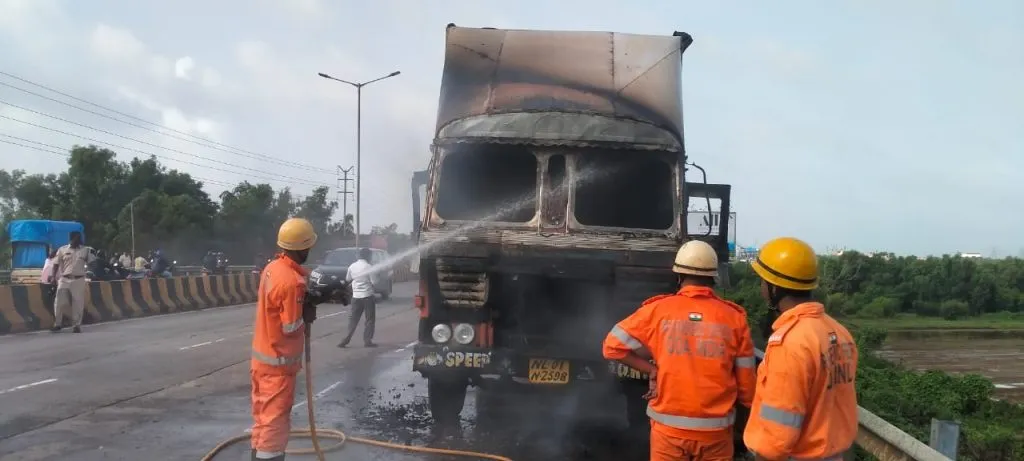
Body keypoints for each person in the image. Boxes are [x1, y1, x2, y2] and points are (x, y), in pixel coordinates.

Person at [603, 240, 756, 461]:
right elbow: (747, 390)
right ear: (713, 278)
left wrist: (652, 370)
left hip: (668, 434)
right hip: (716, 436)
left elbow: (612, 347)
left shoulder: (657, 310)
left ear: (678, 276)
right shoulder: (734, 318)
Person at [743, 237, 858, 461]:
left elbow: (778, 431)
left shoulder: (790, 343)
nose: (761, 287)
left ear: (774, 287)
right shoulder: (839, 332)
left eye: (763, 281)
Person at [250, 218, 319, 461]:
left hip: (262, 361)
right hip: (278, 365)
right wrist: (306, 314)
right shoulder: (292, 282)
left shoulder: (273, 268)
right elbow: (290, 326)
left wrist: (307, 302)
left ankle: (257, 455)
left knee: (262, 418)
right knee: (275, 423)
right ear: (303, 247)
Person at [52, 231, 93, 333]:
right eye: (76, 238)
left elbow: (92, 262)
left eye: (79, 238)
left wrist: (89, 271)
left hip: (79, 279)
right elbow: (55, 264)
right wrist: (53, 277)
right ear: (71, 238)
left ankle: (76, 325)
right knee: (59, 302)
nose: (78, 240)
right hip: (64, 278)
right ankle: (57, 324)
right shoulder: (62, 250)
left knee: (78, 303)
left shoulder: (85, 250)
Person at [337, 247, 377, 348]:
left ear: (359, 255)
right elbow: (374, 282)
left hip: (356, 297)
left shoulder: (352, 266)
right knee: (369, 319)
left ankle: (346, 339)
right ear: (368, 256)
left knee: (353, 319)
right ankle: (367, 341)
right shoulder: (369, 267)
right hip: (368, 296)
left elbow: (348, 278)